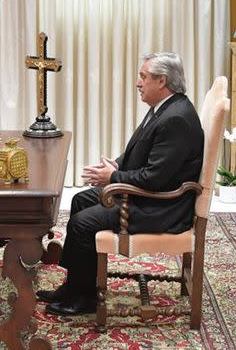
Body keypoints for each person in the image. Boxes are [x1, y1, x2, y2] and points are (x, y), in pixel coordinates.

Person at [40, 52, 204, 316]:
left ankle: (85, 299)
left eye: (143, 77)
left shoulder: (176, 119)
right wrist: (117, 166)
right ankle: (75, 286)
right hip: (149, 196)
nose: (138, 83)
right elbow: (144, 155)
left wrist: (112, 178)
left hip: (161, 207)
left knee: (83, 224)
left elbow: (154, 178)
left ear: (162, 81)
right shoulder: (164, 109)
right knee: (81, 200)